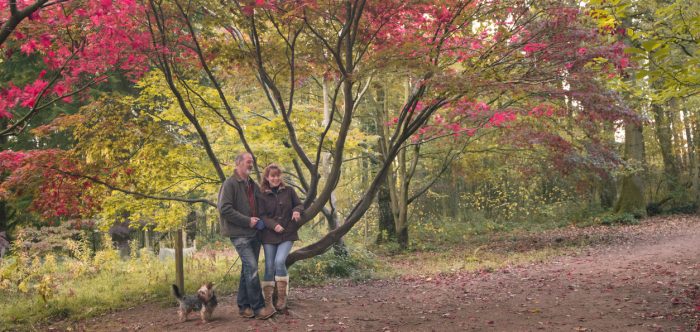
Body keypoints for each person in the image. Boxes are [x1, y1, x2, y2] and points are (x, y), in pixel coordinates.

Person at [217, 152, 274, 320]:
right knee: (252, 268)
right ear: (238, 163)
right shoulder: (230, 183)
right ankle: (258, 307)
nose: (251, 164)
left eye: (252, 162)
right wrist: (248, 221)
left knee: (247, 269)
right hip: (239, 233)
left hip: (254, 233)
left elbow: (263, 200)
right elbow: (224, 209)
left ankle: (243, 306)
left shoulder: (252, 184)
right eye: (248, 162)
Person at [258, 163, 304, 312]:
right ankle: (268, 302)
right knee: (269, 267)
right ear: (267, 177)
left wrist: (297, 211)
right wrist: (273, 225)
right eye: (272, 176)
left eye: (278, 175)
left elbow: (299, 205)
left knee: (279, 261)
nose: (276, 178)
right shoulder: (262, 194)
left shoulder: (289, 191)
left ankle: (282, 299)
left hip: (287, 233)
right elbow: (262, 215)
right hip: (269, 235)